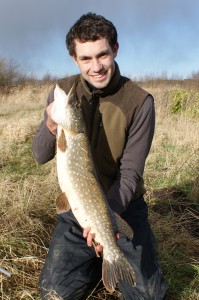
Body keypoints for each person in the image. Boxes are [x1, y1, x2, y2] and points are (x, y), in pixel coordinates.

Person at [32, 12, 168, 300]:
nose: (96, 67)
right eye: (86, 58)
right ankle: (93, 262)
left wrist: (105, 224)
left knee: (149, 296)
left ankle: (104, 256)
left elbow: (131, 172)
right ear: (74, 58)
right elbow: (40, 155)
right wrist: (51, 125)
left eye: (102, 55)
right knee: (54, 294)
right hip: (77, 209)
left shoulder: (139, 101)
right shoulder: (63, 93)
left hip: (123, 206)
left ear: (115, 50)